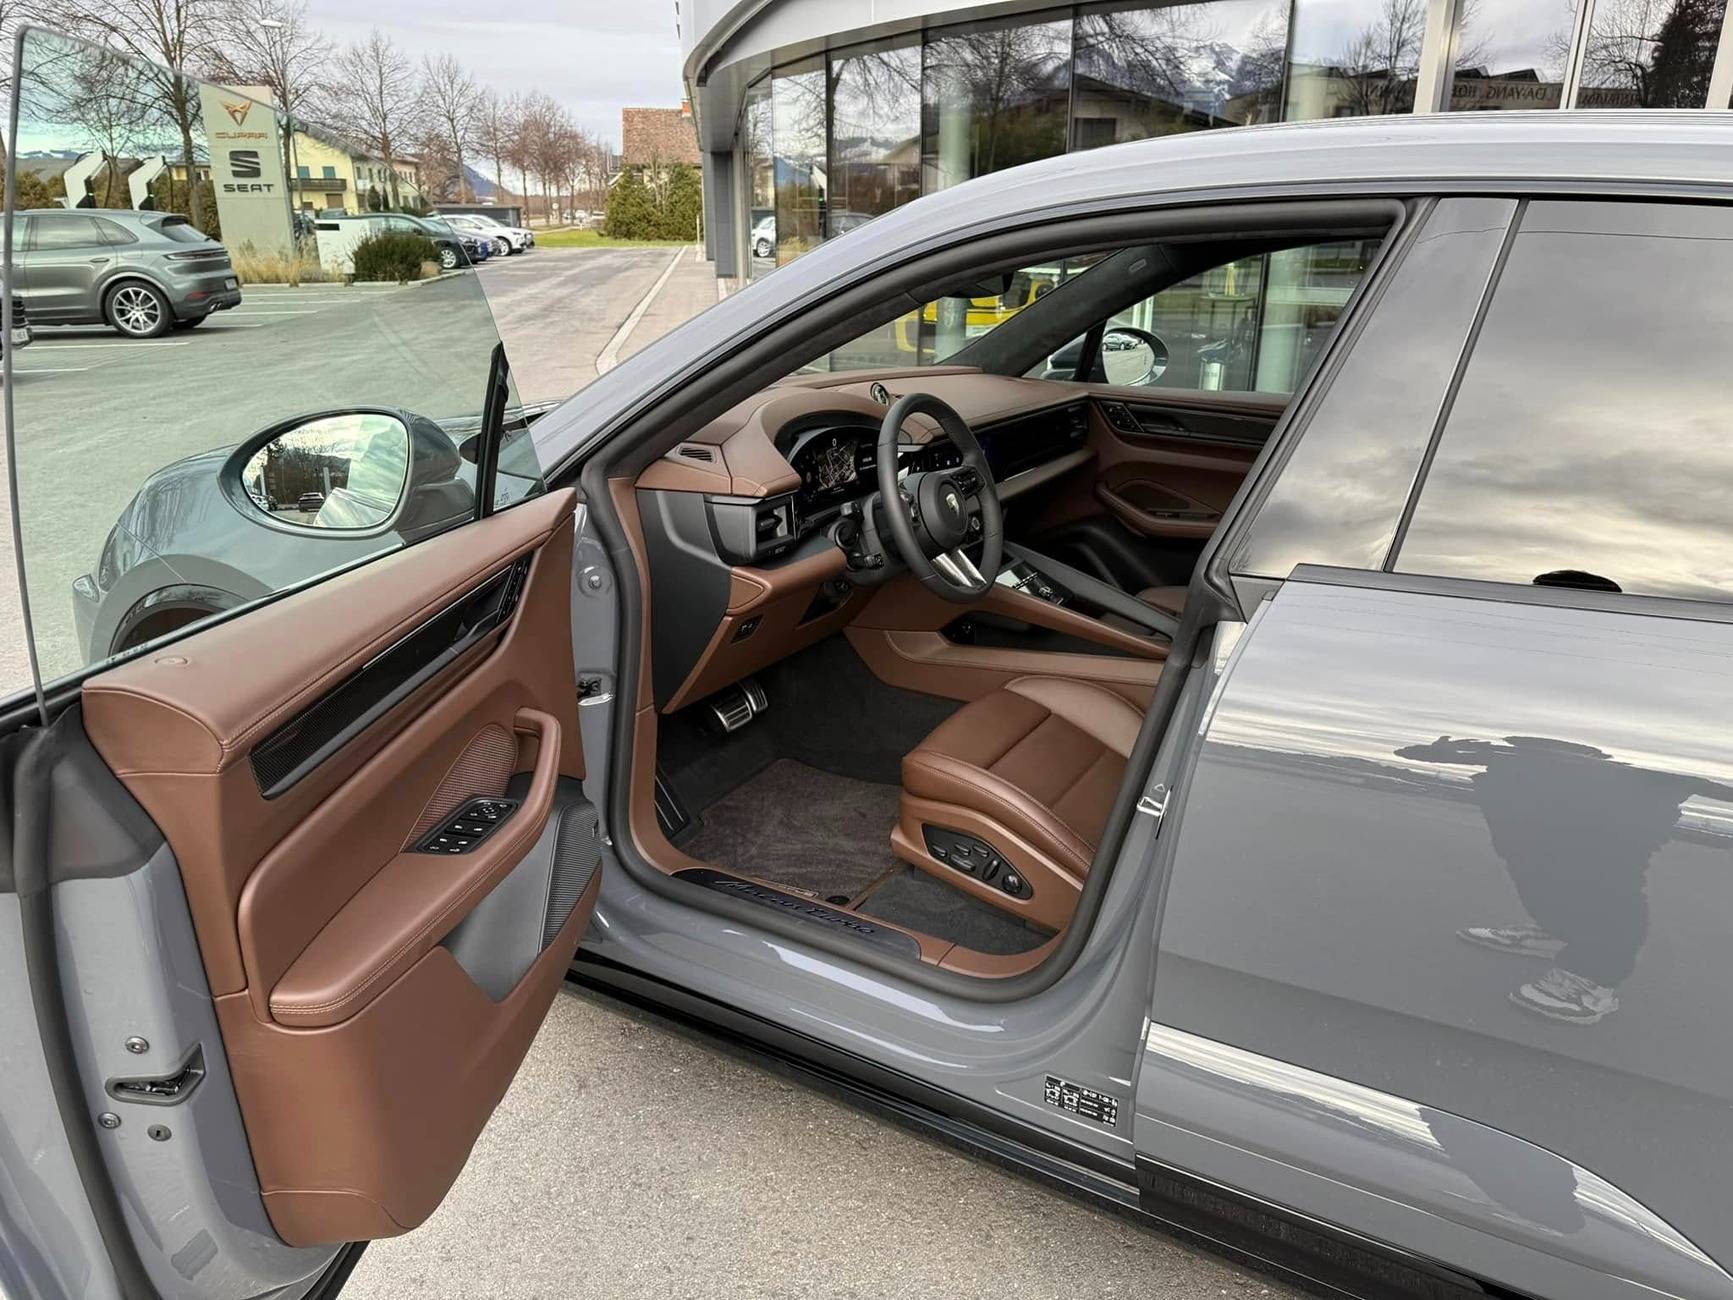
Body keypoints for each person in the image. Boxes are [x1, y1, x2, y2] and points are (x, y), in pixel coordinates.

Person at [1395, 735, 1733, 1024]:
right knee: (1527, 853)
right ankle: (1560, 932)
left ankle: (1595, 972)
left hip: (1634, 762)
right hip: (1531, 754)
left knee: (1600, 871)